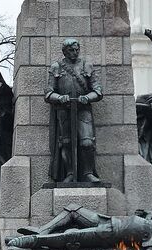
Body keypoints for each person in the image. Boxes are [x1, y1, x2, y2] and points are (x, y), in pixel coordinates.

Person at [46, 38, 103, 184]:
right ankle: (70, 173)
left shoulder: (86, 66)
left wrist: (87, 97)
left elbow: (98, 91)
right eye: (71, 50)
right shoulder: (56, 67)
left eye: (77, 49)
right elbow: (48, 93)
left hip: (83, 109)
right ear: (64, 52)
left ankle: (88, 173)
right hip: (64, 111)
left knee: (87, 143)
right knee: (66, 143)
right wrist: (60, 98)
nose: (75, 52)